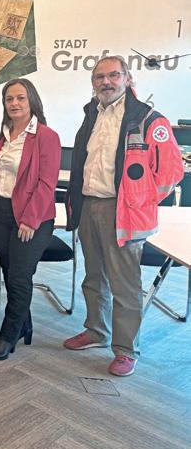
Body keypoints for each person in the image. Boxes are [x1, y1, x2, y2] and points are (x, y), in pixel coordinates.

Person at [63, 56, 183, 376]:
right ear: (93, 83)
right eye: (99, 77)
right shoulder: (92, 114)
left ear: (127, 78)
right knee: (94, 277)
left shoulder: (148, 119)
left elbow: (171, 172)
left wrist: (140, 201)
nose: (106, 82)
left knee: (125, 285)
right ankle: (96, 331)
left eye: (113, 75)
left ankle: (126, 349)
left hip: (123, 212)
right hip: (90, 205)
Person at [0, 78, 61, 360]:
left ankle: (8, 335)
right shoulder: (4, 134)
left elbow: (46, 183)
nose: (14, 103)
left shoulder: (46, 136)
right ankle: (24, 325)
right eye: (9, 99)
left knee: (18, 277)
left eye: (20, 98)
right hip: (0, 213)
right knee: (9, 274)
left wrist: (30, 220)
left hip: (30, 217)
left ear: (32, 101)